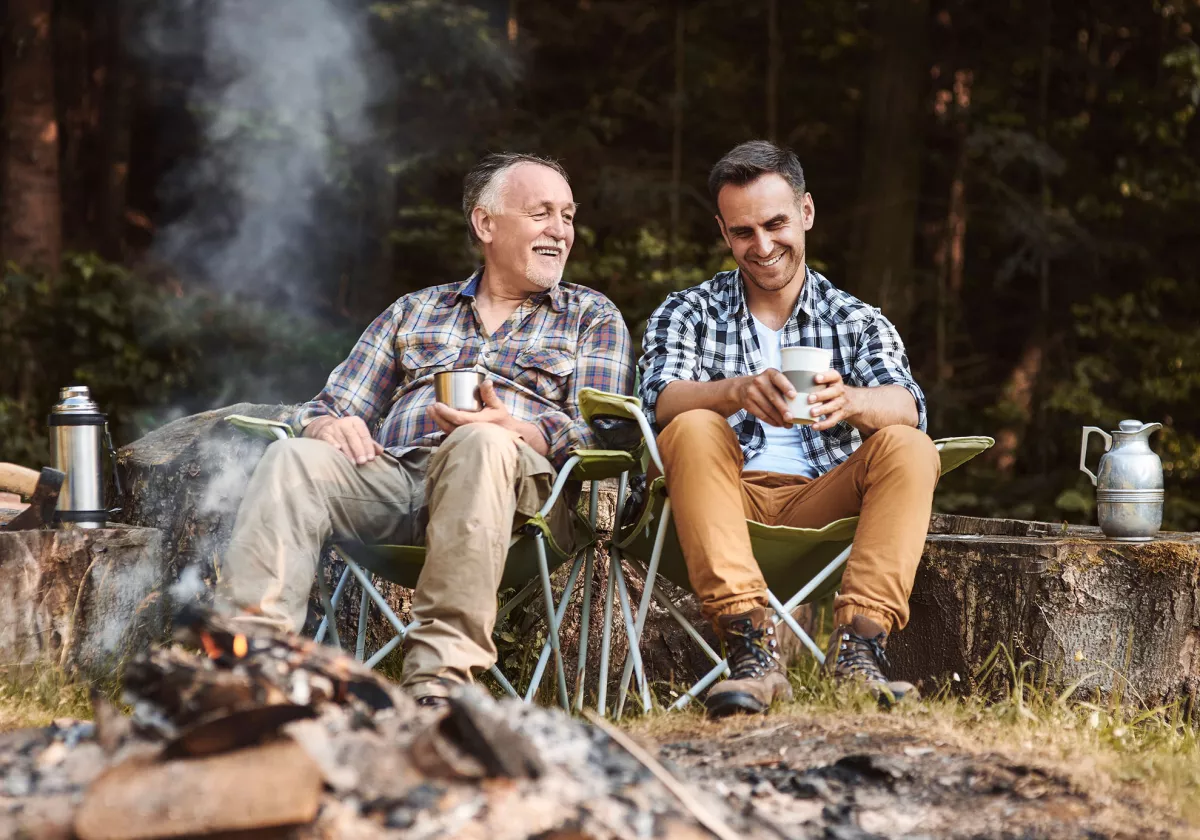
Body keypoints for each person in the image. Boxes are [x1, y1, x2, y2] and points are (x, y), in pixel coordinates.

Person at [217, 152, 635, 708]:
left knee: (481, 441)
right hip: (401, 481)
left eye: (567, 216)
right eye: (541, 214)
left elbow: (607, 433)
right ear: (485, 224)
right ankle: (250, 672)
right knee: (293, 458)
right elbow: (329, 404)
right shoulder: (414, 311)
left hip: (523, 500)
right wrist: (325, 425)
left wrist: (522, 430)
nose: (560, 230)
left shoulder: (590, 316)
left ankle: (440, 681)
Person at [639, 140, 939, 718]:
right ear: (723, 233)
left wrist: (851, 400)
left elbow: (909, 405)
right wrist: (734, 392)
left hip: (822, 502)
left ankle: (859, 652)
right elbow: (659, 399)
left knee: (909, 445)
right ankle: (751, 653)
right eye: (743, 232)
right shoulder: (688, 311)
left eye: (775, 224)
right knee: (693, 424)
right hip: (720, 498)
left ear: (806, 212)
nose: (762, 246)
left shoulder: (855, 319)